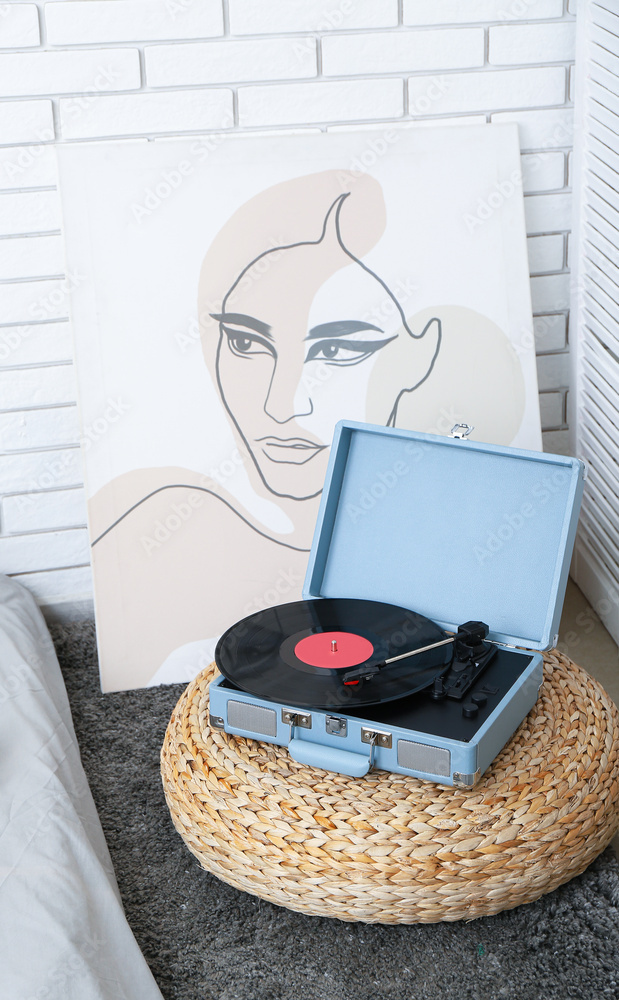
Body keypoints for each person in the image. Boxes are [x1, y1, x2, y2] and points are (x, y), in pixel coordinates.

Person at [88, 170, 519, 690]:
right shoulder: (152, 527)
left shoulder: (460, 529)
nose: (282, 404)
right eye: (246, 343)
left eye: (335, 351)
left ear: (416, 358)